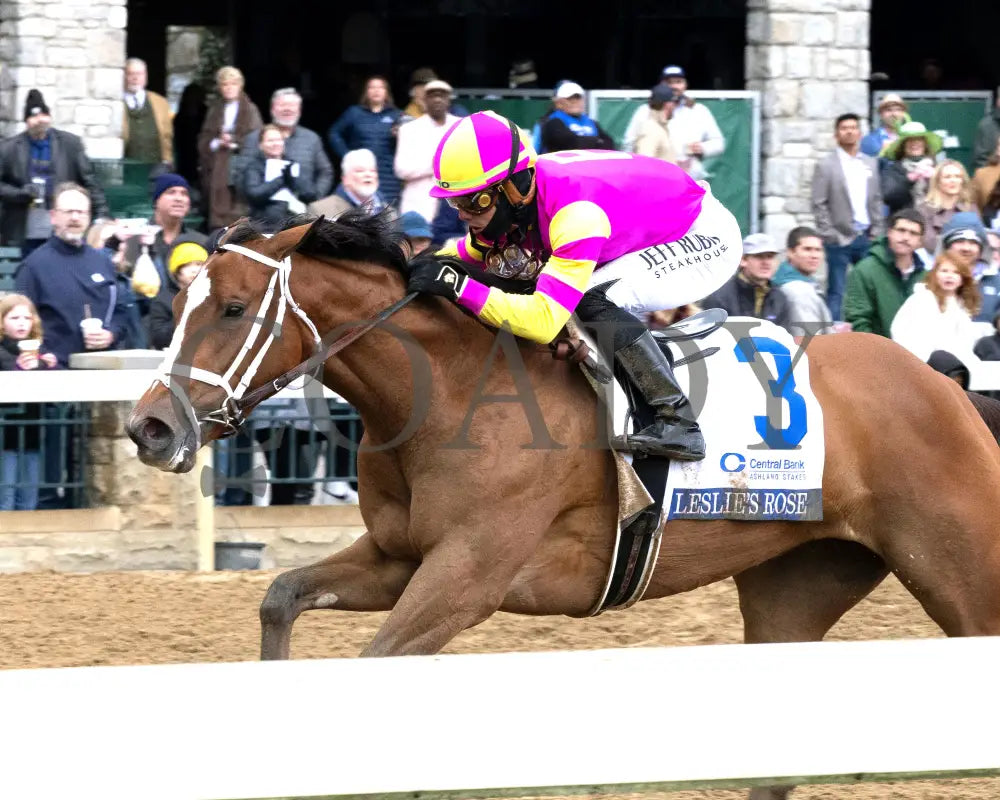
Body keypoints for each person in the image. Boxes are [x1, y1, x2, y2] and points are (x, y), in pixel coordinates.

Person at [405, 111, 744, 461]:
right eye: (454, 201)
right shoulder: (523, 193)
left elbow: (543, 321)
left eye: (473, 201)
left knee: (593, 297)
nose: (462, 213)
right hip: (648, 217)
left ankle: (678, 422)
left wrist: (460, 287)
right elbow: (471, 251)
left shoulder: (575, 214)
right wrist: (429, 262)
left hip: (702, 234)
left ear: (513, 188)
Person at [14, 183, 128, 368]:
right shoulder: (33, 266)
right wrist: (41, 359)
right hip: (55, 373)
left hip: (104, 369)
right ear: (53, 216)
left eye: (81, 212)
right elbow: (19, 324)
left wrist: (110, 334)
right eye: (68, 212)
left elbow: (120, 312)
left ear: (89, 217)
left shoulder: (102, 262)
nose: (75, 218)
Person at [0, 89, 109, 255]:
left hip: (63, 222)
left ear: (49, 117)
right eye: (34, 117)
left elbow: (89, 181)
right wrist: (19, 194)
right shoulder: (9, 148)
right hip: (25, 225)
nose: (39, 121)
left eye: (43, 115)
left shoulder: (70, 144)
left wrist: (101, 215)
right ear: (26, 121)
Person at [810, 112, 885, 321]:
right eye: (844, 128)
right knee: (837, 291)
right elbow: (818, 203)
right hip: (839, 238)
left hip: (866, 236)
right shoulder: (826, 165)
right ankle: (832, 335)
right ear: (836, 134)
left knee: (869, 288)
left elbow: (876, 198)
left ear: (860, 133)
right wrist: (830, 233)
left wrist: (877, 230)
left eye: (853, 127)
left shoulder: (870, 163)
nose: (849, 131)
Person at [0, 294, 57, 511]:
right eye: (14, 318)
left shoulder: (38, 350)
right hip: (6, 431)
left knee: (29, 489)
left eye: (27, 317)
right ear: (2, 323)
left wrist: (50, 366)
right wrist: (19, 368)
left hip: (32, 428)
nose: (22, 322)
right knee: (6, 490)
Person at [622, 65, 725, 181]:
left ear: (685, 84)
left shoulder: (699, 110)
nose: (674, 86)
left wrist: (702, 148)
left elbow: (718, 143)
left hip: (690, 180)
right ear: (661, 84)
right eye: (669, 82)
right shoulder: (644, 112)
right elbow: (628, 145)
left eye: (678, 82)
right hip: (655, 179)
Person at [842, 208, 928, 338]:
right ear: (889, 233)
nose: (906, 237)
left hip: (917, 355)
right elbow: (857, 319)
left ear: (920, 241)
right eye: (901, 230)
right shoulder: (865, 270)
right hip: (876, 353)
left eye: (913, 233)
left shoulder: (926, 277)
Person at [891, 253, 982, 373]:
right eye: (944, 271)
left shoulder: (963, 306)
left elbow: (965, 343)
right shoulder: (921, 298)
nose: (949, 276)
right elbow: (898, 330)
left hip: (954, 365)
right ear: (935, 274)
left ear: (963, 278)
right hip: (921, 364)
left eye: (956, 272)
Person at [197, 66, 263, 228]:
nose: (229, 88)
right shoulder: (215, 110)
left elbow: (256, 138)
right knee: (218, 209)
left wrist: (234, 142)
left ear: (240, 85)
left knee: (240, 211)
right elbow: (205, 137)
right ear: (220, 88)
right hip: (218, 167)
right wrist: (218, 142)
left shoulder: (251, 110)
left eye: (233, 84)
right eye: (225, 84)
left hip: (241, 166)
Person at [327, 76, 402, 206]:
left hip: (388, 177)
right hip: (359, 174)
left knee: (387, 216)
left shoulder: (397, 115)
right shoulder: (354, 112)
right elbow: (334, 133)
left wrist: (400, 135)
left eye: (380, 87)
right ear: (366, 92)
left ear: (386, 92)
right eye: (372, 87)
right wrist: (347, 156)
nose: (376, 91)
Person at [394, 80, 460, 224]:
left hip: (454, 205)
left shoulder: (461, 127)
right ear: (425, 100)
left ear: (448, 100)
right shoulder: (409, 129)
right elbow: (401, 169)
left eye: (442, 95)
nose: (437, 99)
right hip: (418, 202)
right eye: (432, 96)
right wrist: (436, 164)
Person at [699, 233, 792, 330]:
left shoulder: (779, 297)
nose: (766, 262)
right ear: (743, 260)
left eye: (770, 256)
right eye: (759, 256)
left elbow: (785, 339)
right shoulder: (720, 298)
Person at [243, 124, 316, 232]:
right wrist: (281, 180)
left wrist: (293, 181)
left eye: (278, 140)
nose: (275, 144)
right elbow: (254, 195)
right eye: (270, 140)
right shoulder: (254, 167)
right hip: (264, 226)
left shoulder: (293, 165)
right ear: (261, 145)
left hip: (293, 224)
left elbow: (309, 194)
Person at [147, 234, 208, 349]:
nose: (194, 270)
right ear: (177, 271)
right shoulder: (163, 300)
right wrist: (186, 315)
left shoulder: (213, 297)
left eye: (199, 264)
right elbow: (159, 338)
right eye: (187, 265)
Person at [772, 226, 833, 336]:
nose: (814, 256)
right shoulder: (799, 291)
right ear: (790, 252)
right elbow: (809, 341)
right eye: (807, 249)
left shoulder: (802, 282)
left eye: (818, 250)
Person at [916, 159, 978, 254]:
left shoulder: (970, 208)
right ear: (938, 181)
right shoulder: (924, 209)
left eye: (957, 176)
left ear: (962, 181)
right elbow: (929, 242)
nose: (953, 180)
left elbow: (979, 238)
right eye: (947, 177)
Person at [879, 121, 942, 214]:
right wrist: (910, 179)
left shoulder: (937, 167)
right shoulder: (893, 169)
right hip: (904, 222)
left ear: (925, 144)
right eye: (909, 140)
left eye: (919, 139)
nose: (914, 143)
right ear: (902, 146)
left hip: (934, 222)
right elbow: (888, 197)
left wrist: (935, 179)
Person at [122, 58, 174, 168]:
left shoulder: (160, 102)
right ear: (124, 76)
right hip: (126, 166)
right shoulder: (117, 103)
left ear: (145, 76)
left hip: (156, 165)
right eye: (131, 74)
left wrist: (167, 159)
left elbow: (167, 134)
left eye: (139, 74)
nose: (135, 78)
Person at [309, 149, 389, 219]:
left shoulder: (390, 213)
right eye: (360, 171)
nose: (368, 174)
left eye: (372, 171)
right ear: (345, 179)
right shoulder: (321, 210)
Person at [539, 81, 615, 154]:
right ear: (559, 103)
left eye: (578, 98)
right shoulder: (552, 122)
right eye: (569, 99)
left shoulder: (592, 123)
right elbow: (570, 143)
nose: (574, 101)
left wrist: (588, 142)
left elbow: (609, 144)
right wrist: (597, 141)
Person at [633, 85, 678, 164]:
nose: (675, 106)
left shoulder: (659, 128)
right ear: (667, 104)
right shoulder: (651, 129)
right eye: (674, 102)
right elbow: (644, 164)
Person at [861, 94, 909, 160]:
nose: (894, 114)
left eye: (898, 110)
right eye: (889, 110)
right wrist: (882, 153)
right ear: (881, 114)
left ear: (904, 113)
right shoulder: (870, 140)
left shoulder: (909, 137)